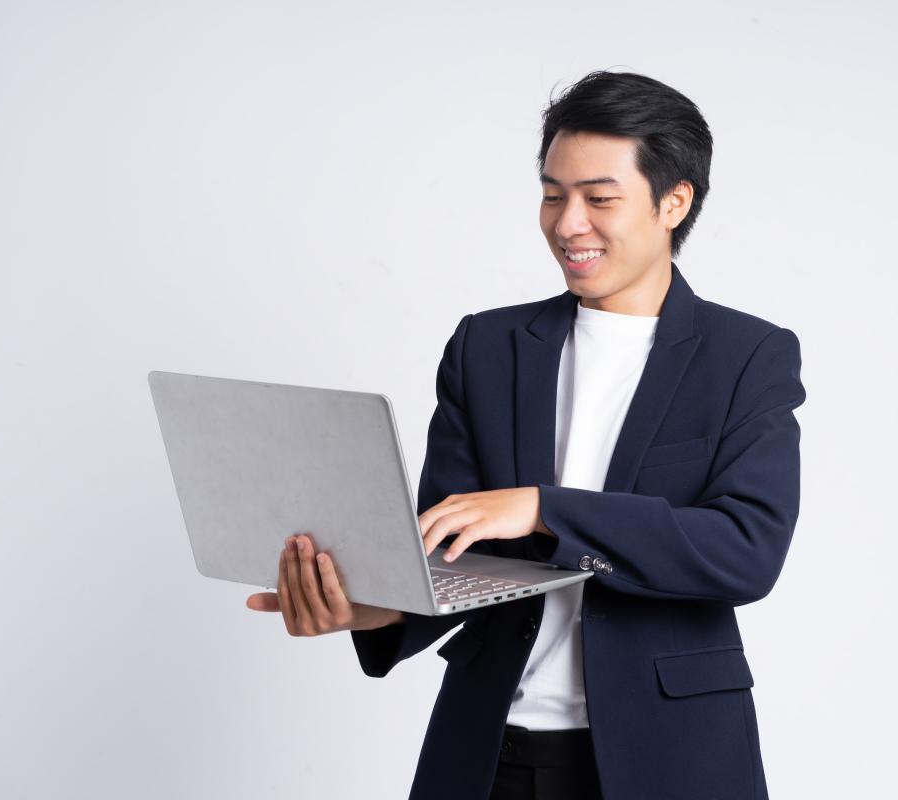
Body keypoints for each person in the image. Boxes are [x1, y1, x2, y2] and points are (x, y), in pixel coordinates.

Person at [247, 70, 806, 800]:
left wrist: (544, 508)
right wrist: (370, 606)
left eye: (598, 199)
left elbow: (746, 550)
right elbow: (452, 549)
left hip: (668, 758)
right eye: (552, 194)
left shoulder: (747, 356)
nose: (568, 224)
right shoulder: (487, 348)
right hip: (490, 753)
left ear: (674, 201)